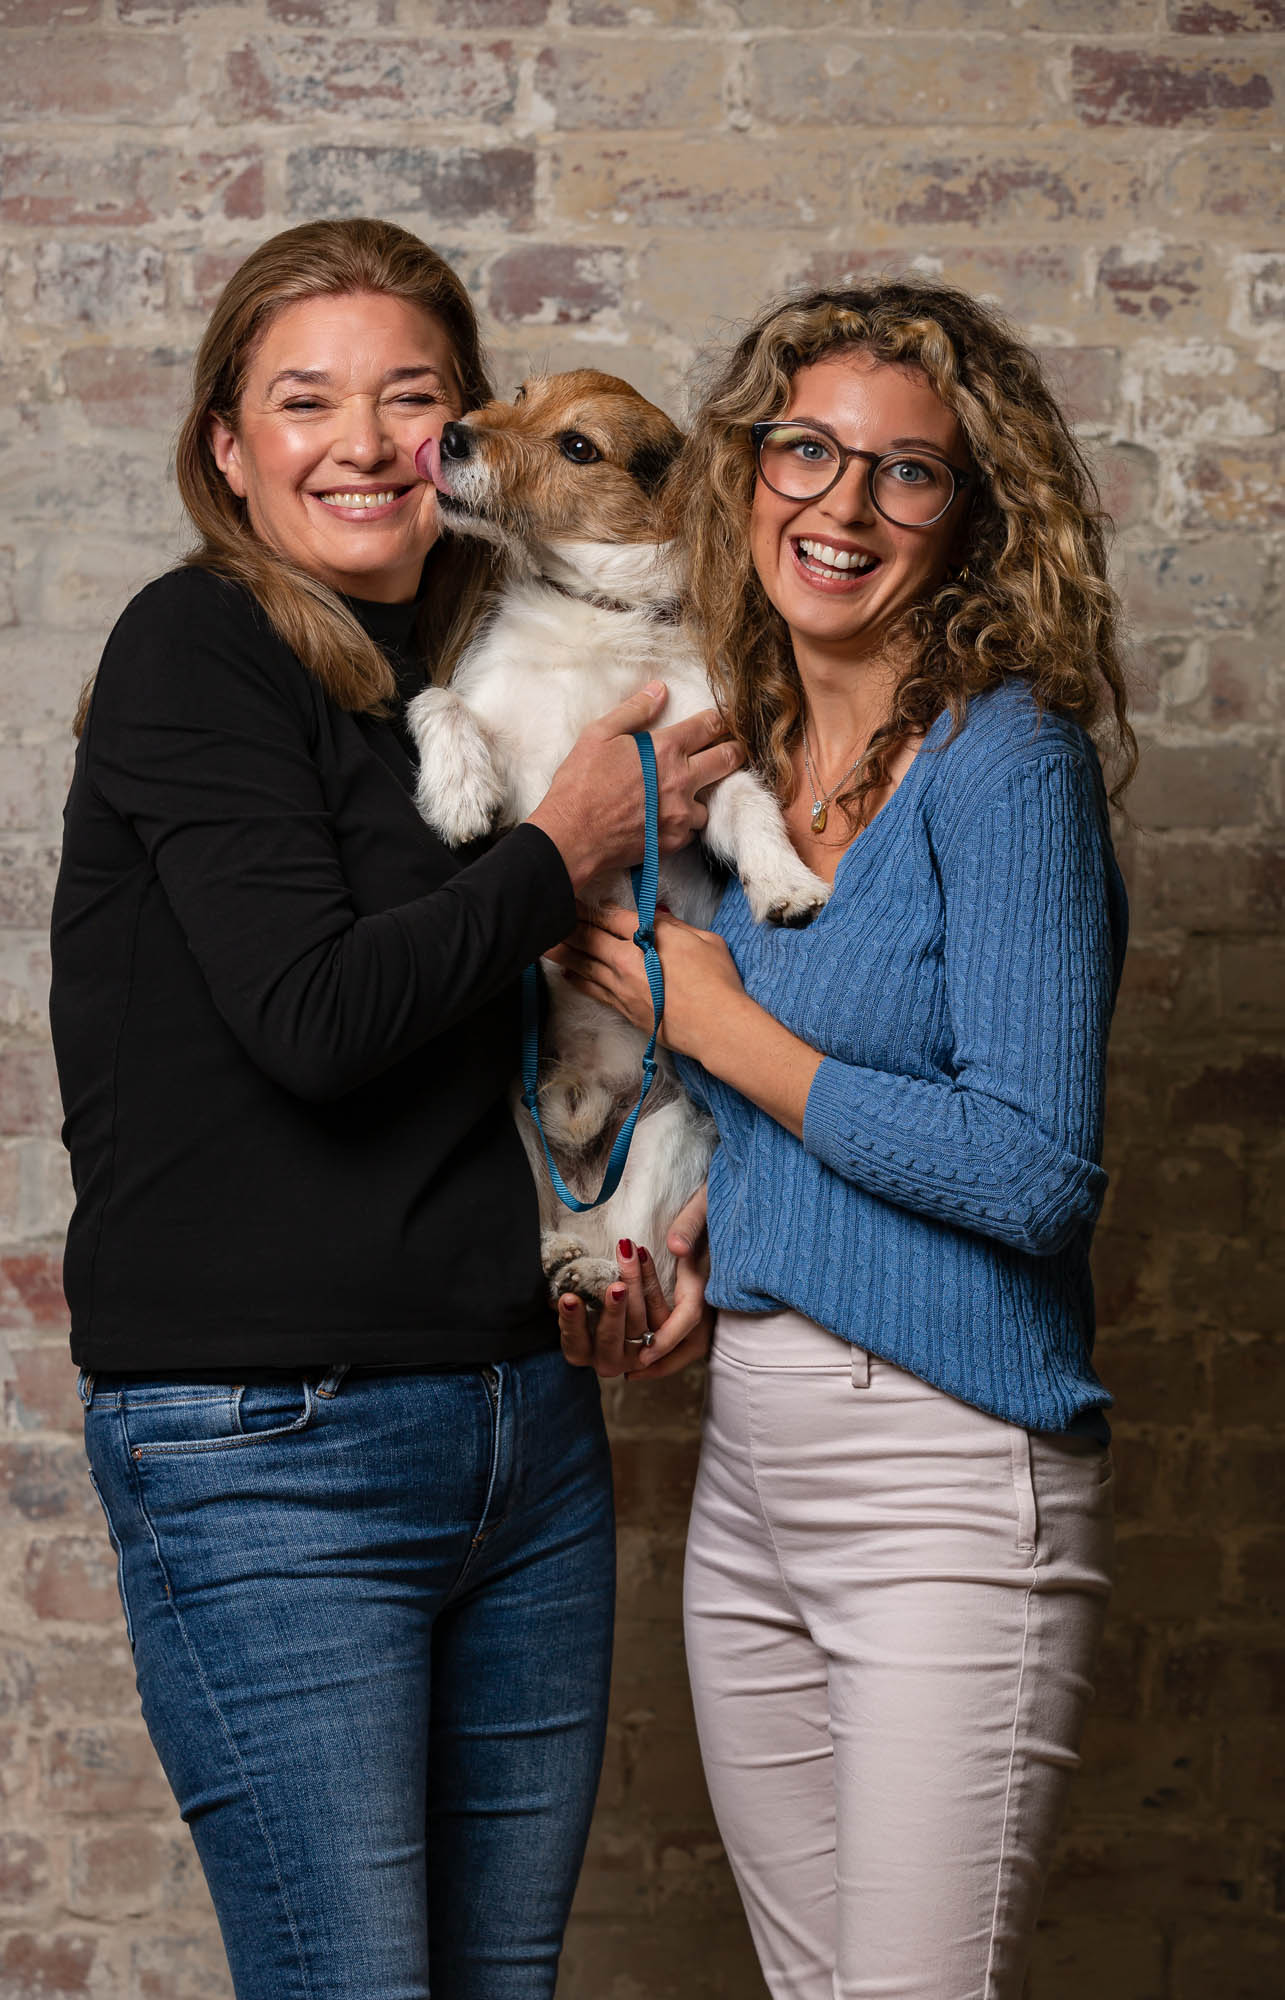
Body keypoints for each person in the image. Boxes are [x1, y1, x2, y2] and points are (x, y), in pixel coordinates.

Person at [51, 217, 732, 2000]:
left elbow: (609, 1014)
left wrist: (666, 1231)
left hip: (519, 1421)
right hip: (271, 1444)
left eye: (411, 397)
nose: (364, 442)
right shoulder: (194, 651)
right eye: (304, 401)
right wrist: (562, 846)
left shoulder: (492, 665)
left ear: (468, 433)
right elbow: (315, 1022)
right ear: (227, 447)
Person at [553, 281, 1135, 1999]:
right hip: (755, 1473)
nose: (842, 504)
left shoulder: (1002, 760)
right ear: (742, 475)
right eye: (805, 450)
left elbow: (1030, 1172)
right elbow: (803, 1130)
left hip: (944, 1485)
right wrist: (707, 1248)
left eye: (906, 473)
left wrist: (719, 1020)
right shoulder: (744, 754)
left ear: (971, 518)